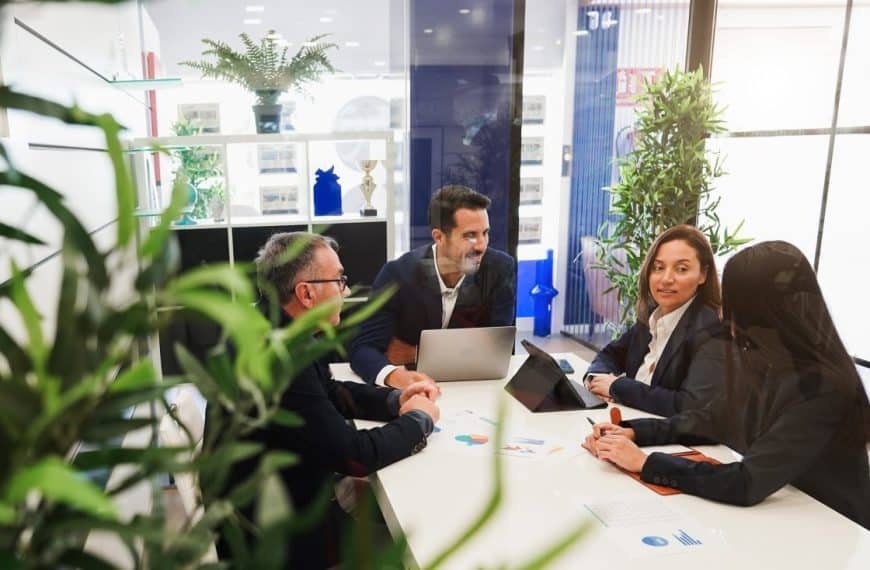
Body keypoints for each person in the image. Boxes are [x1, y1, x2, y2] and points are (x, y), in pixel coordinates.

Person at [583, 241, 870, 528]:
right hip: (782, 513)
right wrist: (633, 431)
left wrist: (646, 463)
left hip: (830, 529)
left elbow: (747, 481)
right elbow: (714, 419)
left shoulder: (822, 387)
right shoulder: (767, 358)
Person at [213, 232, 442, 568]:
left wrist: (395, 399)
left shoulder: (277, 327)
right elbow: (354, 457)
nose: (345, 290)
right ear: (306, 293)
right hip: (281, 537)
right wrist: (419, 420)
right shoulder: (281, 357)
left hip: (279, 498)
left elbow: (332, 394)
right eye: (339, 280)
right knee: (419, 538)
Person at [349, 185, 517, 388]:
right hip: (413, 387)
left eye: (485, 233)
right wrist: (397, 377)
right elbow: (363, 349)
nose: (481, 245)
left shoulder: (500, 268)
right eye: (470, 235)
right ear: (438, 236)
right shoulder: (398, 274)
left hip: (475, 385)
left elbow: (496, 349)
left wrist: (416, 353)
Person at [584, 225, 724, 417]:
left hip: (670, 441)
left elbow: (690, 406)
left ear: (703, 274)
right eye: (658, 268)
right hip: (628, 425)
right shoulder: (651, 318)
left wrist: (618, 387)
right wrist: (596, 378)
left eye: (681, 269)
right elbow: (611, 354)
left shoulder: (709, 330)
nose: (666, 279)